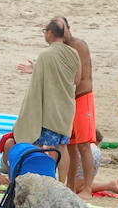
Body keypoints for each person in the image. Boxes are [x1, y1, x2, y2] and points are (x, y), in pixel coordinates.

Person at [14, 17, 80, 184]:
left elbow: (38, 85)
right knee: (62, 147)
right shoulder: (73, 53)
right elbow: (76, 80)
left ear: (50, 33)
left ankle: (39, 179)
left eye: (45, 31)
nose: (44, 34)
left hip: (49, 111)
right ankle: (61, 183)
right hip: (66, 109)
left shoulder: (45, 55)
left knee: (38, 145)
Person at [61, 22, 96, 196]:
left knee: (84, 145)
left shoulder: (78, 45)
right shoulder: (61, 48)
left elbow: (79, 76)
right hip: (70, 100)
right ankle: (70, 186)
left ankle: (88, 188)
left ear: (68, 28)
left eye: (63, 28)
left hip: (82, 97)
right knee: (70, 146)